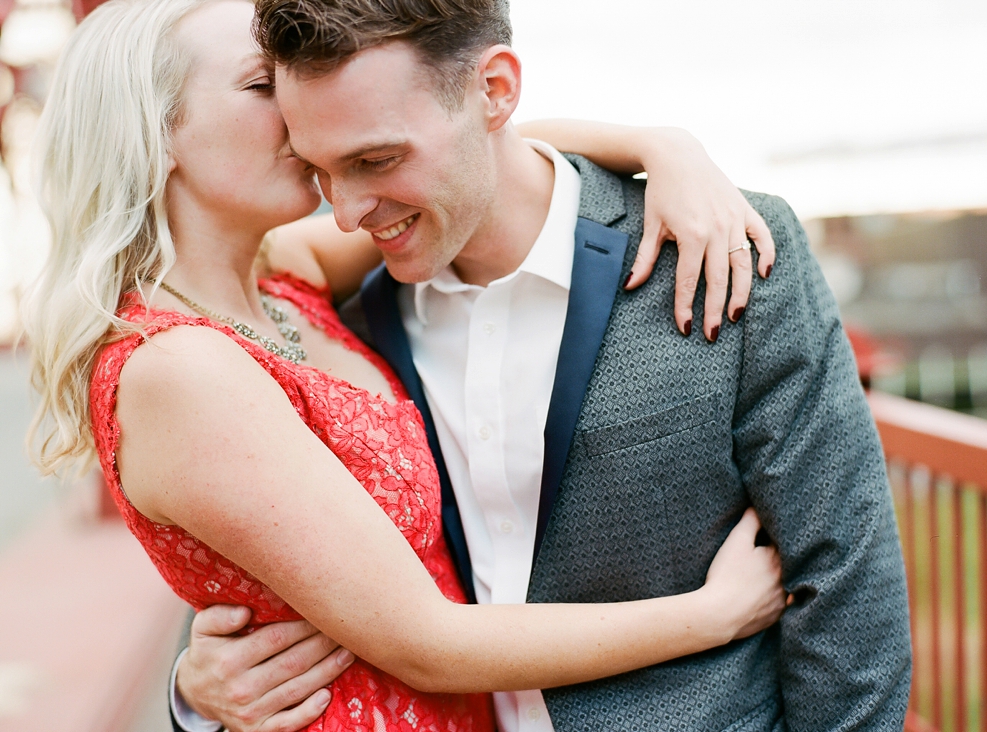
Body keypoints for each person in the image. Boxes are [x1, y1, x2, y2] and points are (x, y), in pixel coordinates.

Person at [23, 1, 791, 732]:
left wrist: (662, 147)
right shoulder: (179, 368)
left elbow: (462, 150)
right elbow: (427, 642)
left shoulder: (284, 276)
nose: (296, 106)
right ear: (152, 133)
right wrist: (713, 615)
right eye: (264, 85)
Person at [178, 0, 914, 731]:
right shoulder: (347, 317)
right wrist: (196, 695)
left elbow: (847, 581)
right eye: (319, 171)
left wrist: (666, 145)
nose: (345, 213)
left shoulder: (722, 251)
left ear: (496, 91)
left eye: (376, 160)